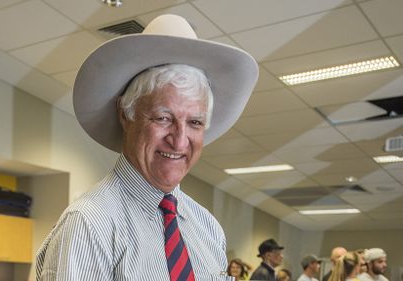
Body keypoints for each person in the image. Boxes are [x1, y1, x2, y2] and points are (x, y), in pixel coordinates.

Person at [35, 14, 258, 281]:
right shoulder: (89, 224)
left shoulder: (207, 227)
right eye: (163, 118)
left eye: (195, 122)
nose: (179, 140)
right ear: (125, 114)